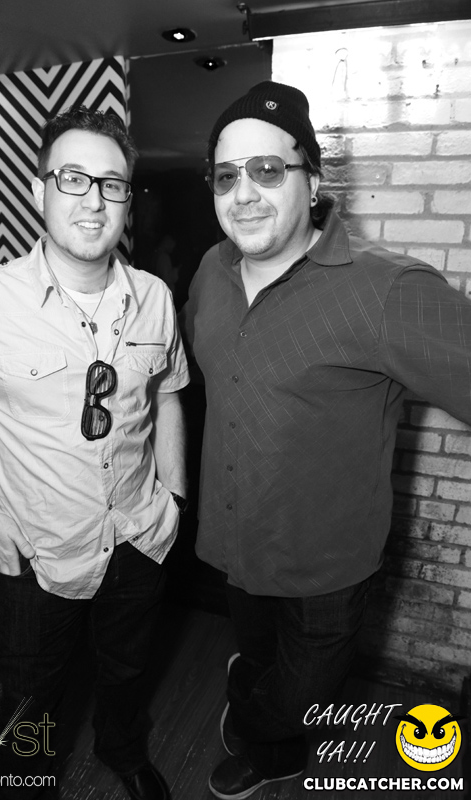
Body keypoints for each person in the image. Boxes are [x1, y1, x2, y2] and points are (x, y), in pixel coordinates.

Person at [181, 80, 471, 799]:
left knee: (301, 696)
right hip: (234, 545)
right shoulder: (210, 273)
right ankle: (257, 695)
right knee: (256, 654)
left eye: (266, 169)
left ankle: (264, 736)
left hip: (327, 569)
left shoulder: (387, 290)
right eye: (225, 176)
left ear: (312, 182)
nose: (243, 193)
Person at [0, 106, 189, 800]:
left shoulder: (154, 298)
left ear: (127, 199)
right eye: (72, 178)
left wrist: (173, 498)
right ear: (38, 191)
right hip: (33, 555)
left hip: (139, 537)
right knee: (30, 697)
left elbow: (169, 394)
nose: (93, 200)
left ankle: (122, 748)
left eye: (112, 184)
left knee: (127, 670)